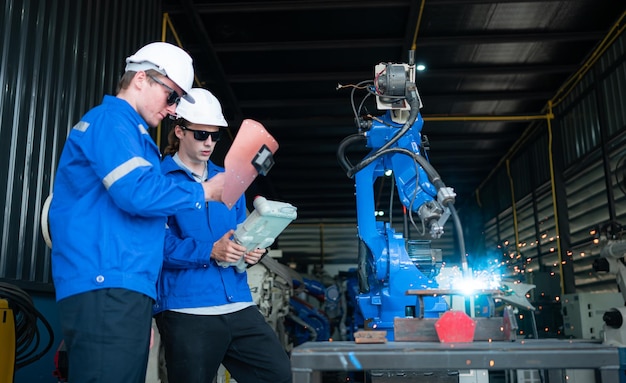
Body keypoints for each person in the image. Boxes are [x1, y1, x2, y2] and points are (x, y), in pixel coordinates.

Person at [48, 42, 225, 383]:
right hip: (107, 281)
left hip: (125, 283)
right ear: (141, 78)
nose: (174, 109)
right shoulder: (112, 123)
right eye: (172, 96)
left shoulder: (134, 135)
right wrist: (202, 191)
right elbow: (137, 193)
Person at [154, 88, 292, 383]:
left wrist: (251, 251)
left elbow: (240, 231)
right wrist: (210, 251)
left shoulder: (231, 178)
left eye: (215, 136)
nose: (209, 143)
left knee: (277, 375)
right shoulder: (158, 181)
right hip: (187, 307)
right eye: (201, 135)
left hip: (239, 301)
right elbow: (154, 245)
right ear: (179, 130)